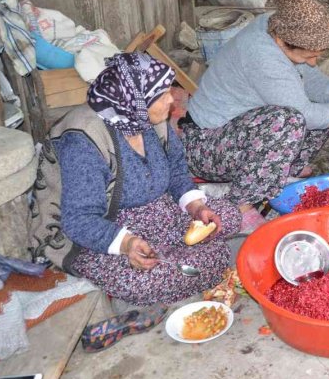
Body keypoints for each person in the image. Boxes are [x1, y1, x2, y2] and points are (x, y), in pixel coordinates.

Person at [31, 52, 241, 307]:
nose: (171, 100)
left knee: (229, 216)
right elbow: (79, 219)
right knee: (143, 282)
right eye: (161, 95)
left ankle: (175, 255)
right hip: (104, 229)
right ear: (135, 100)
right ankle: (175, 259)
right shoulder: (83, 140)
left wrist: (196, 206)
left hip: (160, 211)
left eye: (168, 91)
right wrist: (127, 243)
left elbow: (175, 171)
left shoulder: (146, 118)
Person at [182, 0, 329, 228]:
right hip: (207, 146)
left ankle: (282, 170)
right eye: (309, 56)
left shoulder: (280, 26)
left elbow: (313, 82)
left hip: (240, 132)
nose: (314, 63)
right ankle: (240, 204)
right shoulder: (261, 55)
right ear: (282, 41)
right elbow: (306, 115)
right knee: (289, 121)